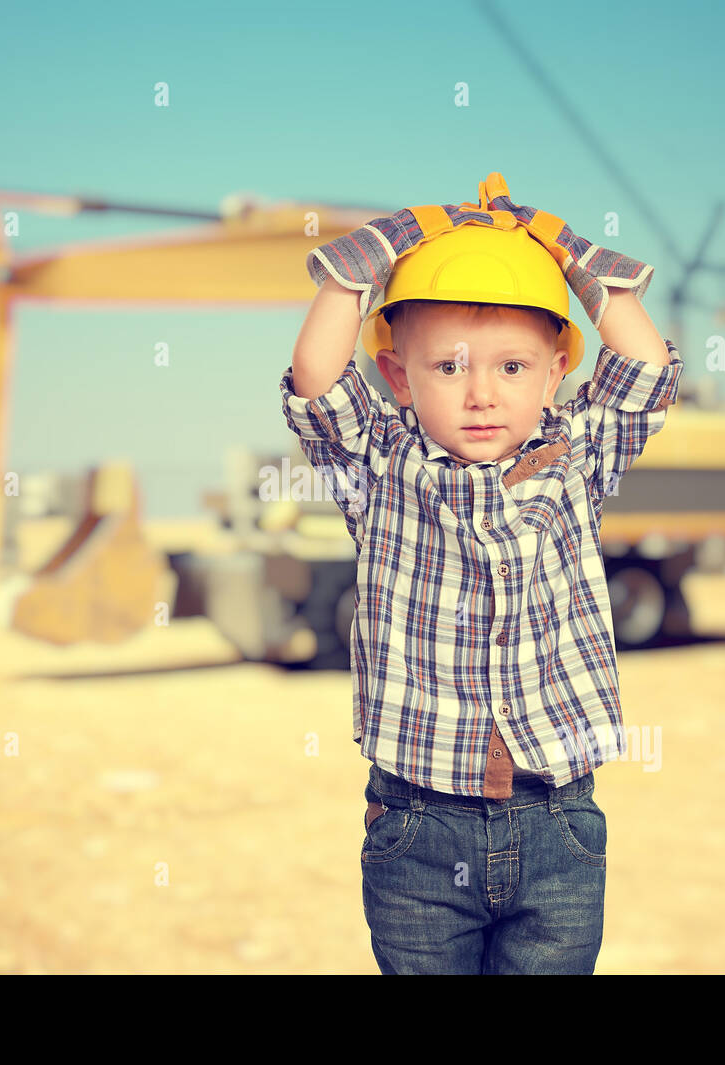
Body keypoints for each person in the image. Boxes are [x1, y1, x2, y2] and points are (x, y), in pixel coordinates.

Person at [278, 172, 684, 975]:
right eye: (450, 367)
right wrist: (391, 239)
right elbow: (319, 378)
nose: (480, 394)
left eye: (511, 367)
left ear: (555, 371)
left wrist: (565, 250)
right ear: (399, 377)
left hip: (558, 820)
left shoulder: (576, 461)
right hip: (418, 828)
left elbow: (643, 367)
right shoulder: (384, 466)